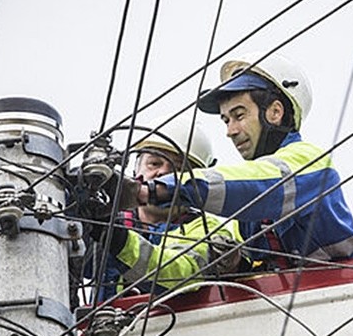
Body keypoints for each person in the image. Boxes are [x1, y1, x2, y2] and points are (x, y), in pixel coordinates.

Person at [138, 52, 353, 266]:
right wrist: (237, 262)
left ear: (275, 112)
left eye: (239, 115)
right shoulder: (245, 219)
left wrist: (156, 189)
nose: (230, 131)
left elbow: (259, 184)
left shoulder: (309, 161)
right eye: (226, 120)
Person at [84, 116, 243, 301]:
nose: (162, 172)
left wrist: (117, 240)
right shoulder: (110, 217)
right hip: (104, 328)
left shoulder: (207, 228)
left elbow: (183, 272)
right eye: (154, 163)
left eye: (178, 168)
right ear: (136, 169)